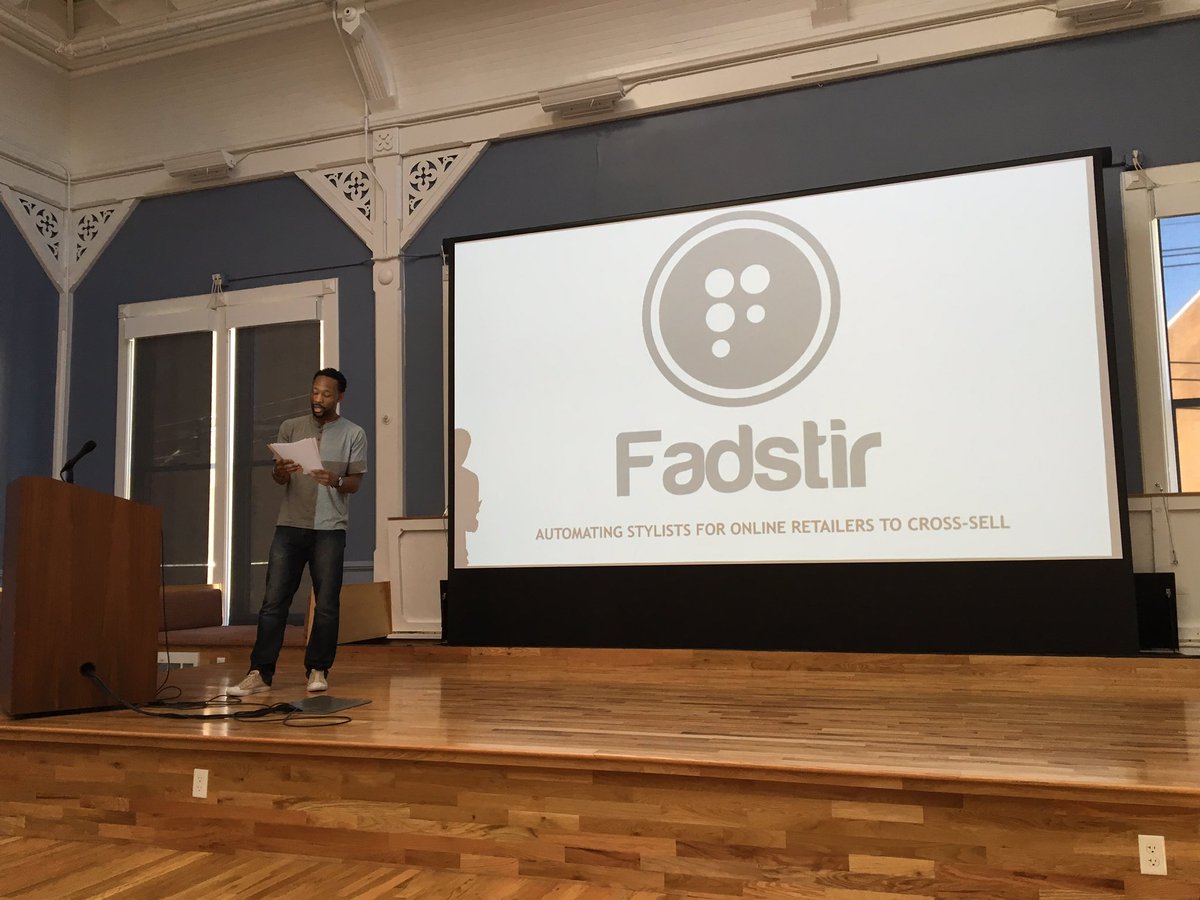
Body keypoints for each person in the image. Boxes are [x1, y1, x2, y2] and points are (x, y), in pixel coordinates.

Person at [229, 368, 368, 696]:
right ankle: (260, 673)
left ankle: (318, 670)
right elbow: (280, 479)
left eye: (326, 394)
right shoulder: (290, 428)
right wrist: (280, 470)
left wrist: (334, 479)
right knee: (273, 603)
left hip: (330, 529)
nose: (318, 399)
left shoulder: (354, 433)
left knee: (327, 604)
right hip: (290, 526)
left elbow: (355, 483)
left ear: (340, 397)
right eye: (315, 392)